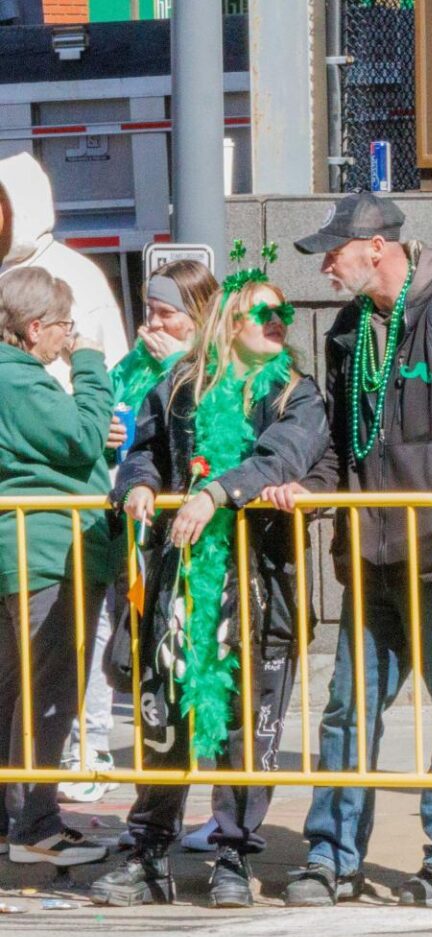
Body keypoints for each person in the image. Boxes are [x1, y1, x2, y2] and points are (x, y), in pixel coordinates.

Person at [269, 194, 432, 908]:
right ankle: (331, 855)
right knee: (346, 711)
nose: (325, 267)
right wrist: (310, 488)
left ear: (377, 248)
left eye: (335, 253)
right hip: (369, 560)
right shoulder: (349, 330)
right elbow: (342, 444)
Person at [89, 271, 328, 908]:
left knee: (248, 727)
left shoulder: (295, 393)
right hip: (181, 584)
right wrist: (140, 483)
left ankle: (232, 855)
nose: (278, 323)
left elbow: (284, 455)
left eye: (283, 313)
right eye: (262, 313)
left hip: (259, 584)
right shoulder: (181, 387)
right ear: (228, 323)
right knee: (162, 718)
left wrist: (217, 492)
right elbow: (144, 448)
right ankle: (148, 854)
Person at [59, 260, 220, 807]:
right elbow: (108, 419)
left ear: (197, 314)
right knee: (111, 636)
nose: (153, 323)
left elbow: (213, 420)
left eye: (167, 313)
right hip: (131, 527)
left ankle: (215, 788)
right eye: (149, 311)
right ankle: (92, 747)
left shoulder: (216, 360)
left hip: (198, 536)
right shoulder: (135, 361)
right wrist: (103, 432)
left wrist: (176, 363)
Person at [0, 267, 111, 868]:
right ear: (35, 327)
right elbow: (82, 439)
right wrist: (90, 366)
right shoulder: (20, 379)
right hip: (48, 552)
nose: (68, 336)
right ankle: (36, 826)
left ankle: (12, 820)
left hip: (17, 552)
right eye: (64, 326)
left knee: (13, 689)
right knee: (49, 692)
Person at [0, 153, 129, 391]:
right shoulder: (5, 268)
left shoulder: (76, 273)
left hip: (59, 408)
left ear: (21, 208)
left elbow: (110, 363)